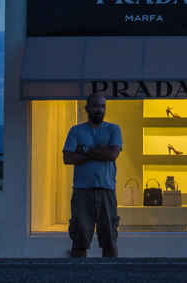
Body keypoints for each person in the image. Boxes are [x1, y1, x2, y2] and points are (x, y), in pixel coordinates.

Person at [62, 93, 123, 258]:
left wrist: (86, 150)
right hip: (82, 191)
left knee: (110, 240)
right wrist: (100, 153)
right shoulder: (76, 130)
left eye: (103, 106)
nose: (100, 109)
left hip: (107, 190)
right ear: (87, 108)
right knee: (79, 239)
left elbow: (112, 155)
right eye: (96, 106)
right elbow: (67, 158)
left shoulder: (113, 129)